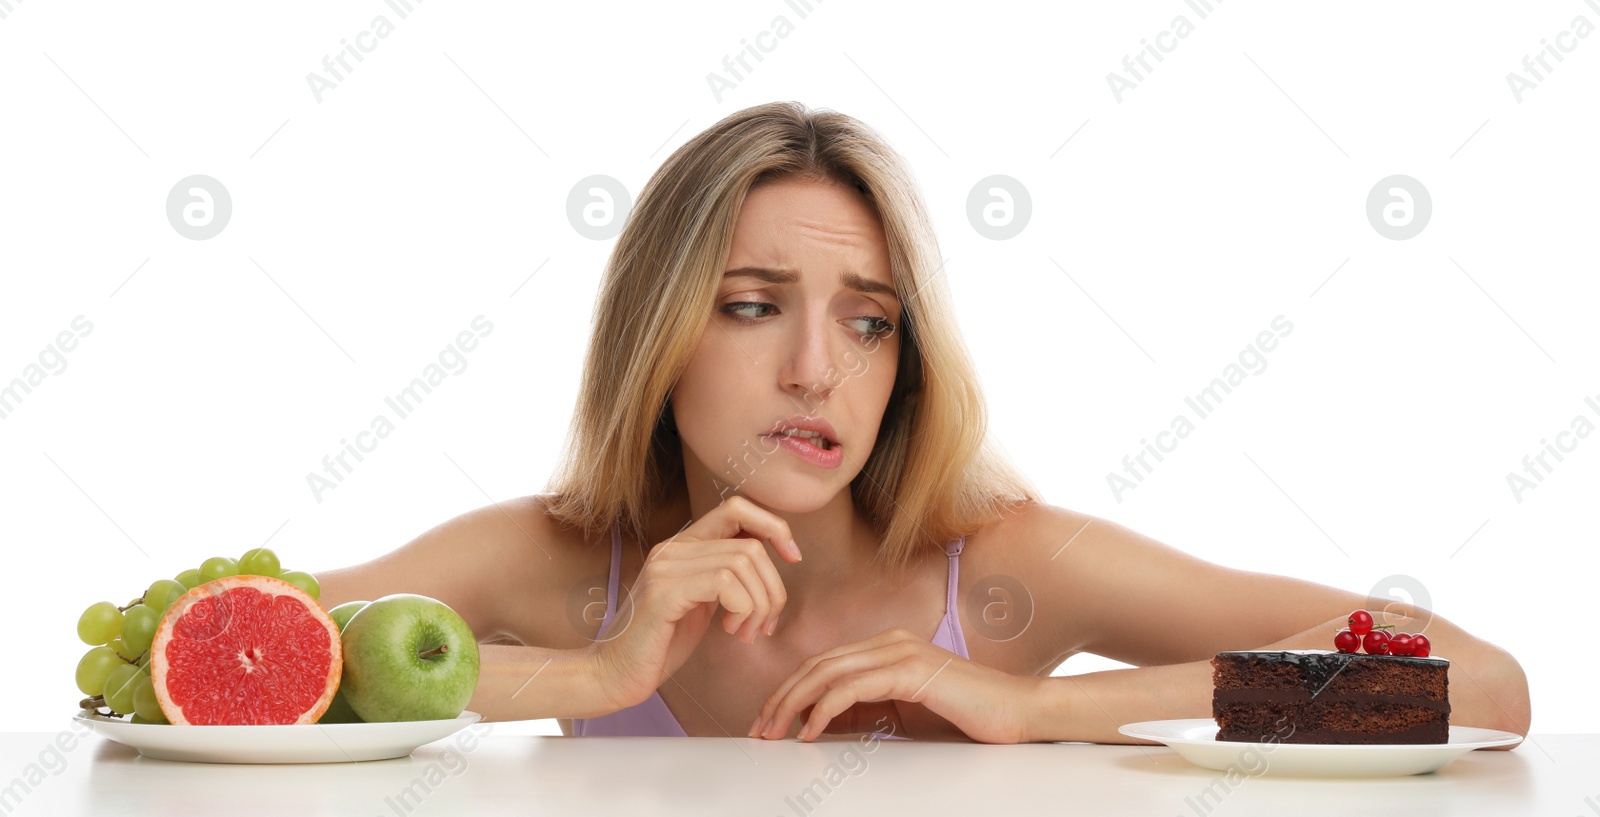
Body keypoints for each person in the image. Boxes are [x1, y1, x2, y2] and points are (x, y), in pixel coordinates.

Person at [316, 101, 1530, 745]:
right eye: (750, 307)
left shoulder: (1005, 565)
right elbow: (230, 661)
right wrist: (593, 668)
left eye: (868, 323)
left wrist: (1033, 706)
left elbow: (1477, 685)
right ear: (657, 332)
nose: (813, 371)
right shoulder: (556, 559)